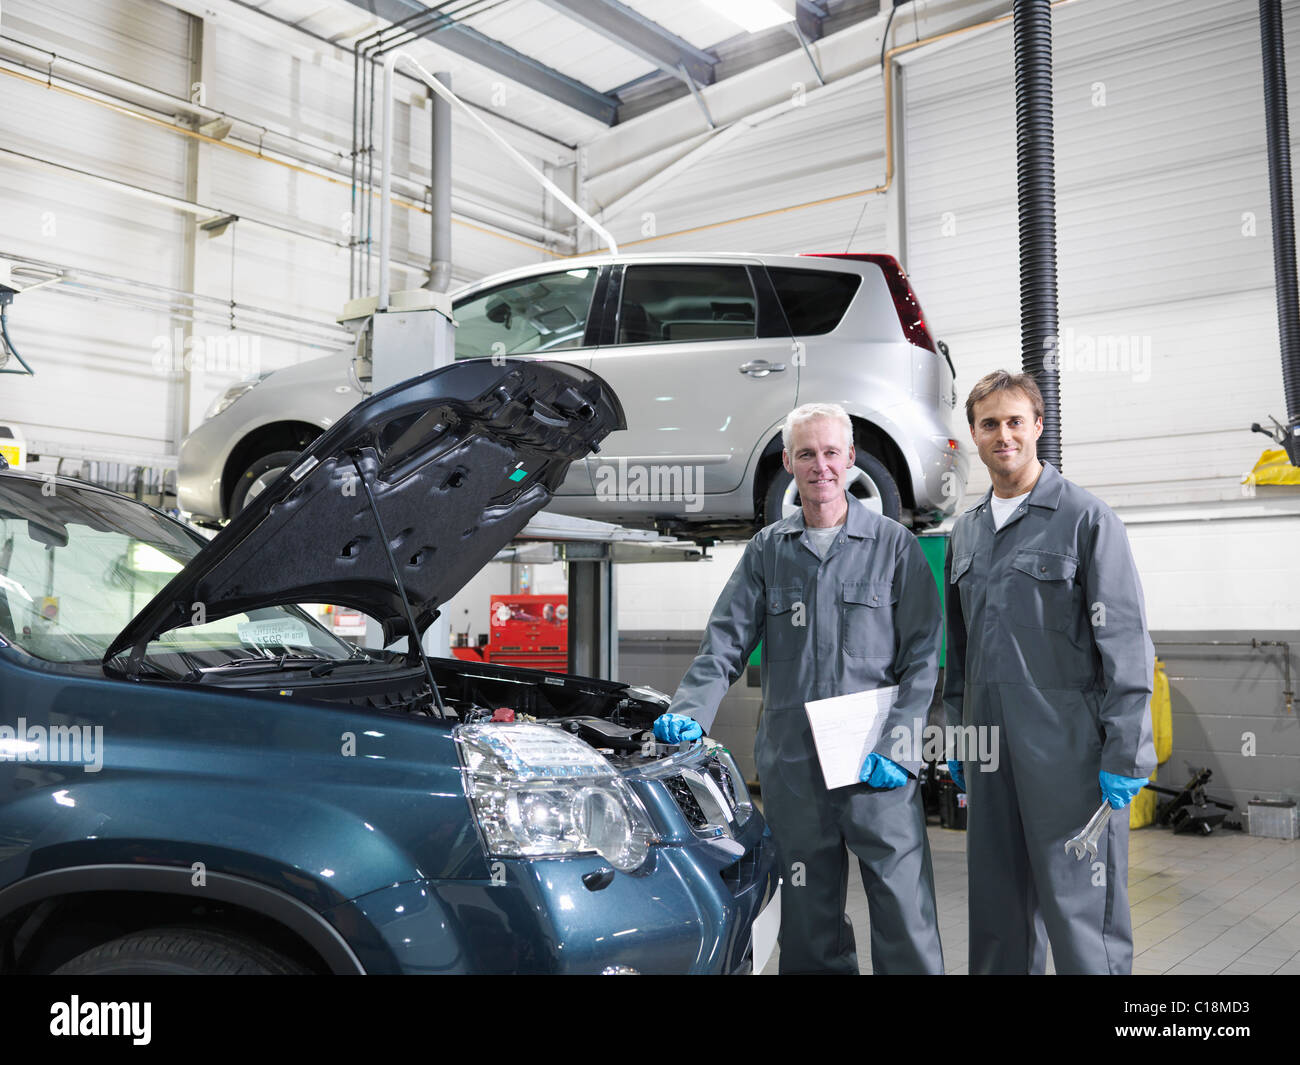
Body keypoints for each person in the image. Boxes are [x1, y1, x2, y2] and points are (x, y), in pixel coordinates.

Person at [655, 402, 944, 974]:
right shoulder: (768, 549)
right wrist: (692, 708)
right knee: (806, 917)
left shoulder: (893, 545)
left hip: (874, 762)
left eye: (832, 452)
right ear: (789, 462)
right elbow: (726, 640)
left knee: (903, 906)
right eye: (807, 454)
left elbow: (924, 656)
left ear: (851, 459)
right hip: (795, 764)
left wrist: (902, 744)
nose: (821, 466)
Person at [943, 370, 1155, 975]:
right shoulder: (966, 533)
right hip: (989, 749)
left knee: (1080, 914)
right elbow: (957, 655)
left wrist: (1125, 752)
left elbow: (1127, 645)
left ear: (1038, 426)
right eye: (989, 424)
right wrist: (959, 736)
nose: (1003, 434)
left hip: (1069, 755)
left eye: (1015, 421)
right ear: (974, 437)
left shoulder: (1086, 520)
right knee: (997, 913)